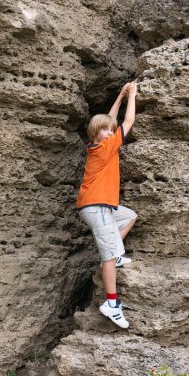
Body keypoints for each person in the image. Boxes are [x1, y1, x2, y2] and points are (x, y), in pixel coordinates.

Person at [75, 82, 138, 329]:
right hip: (97, 206)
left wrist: (120, 97)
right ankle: (111, 304)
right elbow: (127, 122)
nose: (111, 134)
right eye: (105, 132)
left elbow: (109, 122)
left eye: (111, 132)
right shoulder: (105, 147)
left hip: (102, 206)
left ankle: (115, 252)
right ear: (95, 134)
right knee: (108, 259)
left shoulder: (98, 143)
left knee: (130, 215)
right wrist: (132, 96)